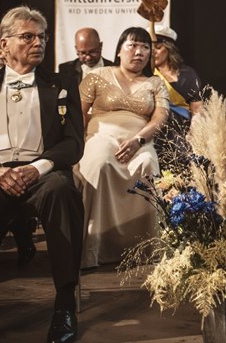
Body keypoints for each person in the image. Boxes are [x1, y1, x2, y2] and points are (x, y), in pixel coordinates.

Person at [0, 6, 85, 343]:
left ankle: (64, 306)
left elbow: (73, 144)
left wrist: (36, 168)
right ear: (4, 44)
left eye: (42, 37)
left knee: (62, 191)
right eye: (28, 36)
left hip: (43, 173)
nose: (38, 43)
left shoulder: (62, 84)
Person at [77, 26, 169, 269]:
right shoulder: (97, 76)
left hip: (140, 139)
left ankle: (144, 248)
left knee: (147, 164)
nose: (139, 52)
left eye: (145, 47)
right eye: (133, 45)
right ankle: (94, 248)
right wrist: (74, 146)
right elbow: (79, 114)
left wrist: (139, 140)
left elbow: (160, 117)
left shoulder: (155, 83)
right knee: (100, 164)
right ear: (119, 50)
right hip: (101, 135)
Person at [151, 26, 202, 166]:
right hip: (156, 129)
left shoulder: (187, 74)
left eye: (158, 47)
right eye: (150, 47)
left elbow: (197, 108)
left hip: (182, 129)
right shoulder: (146, 74)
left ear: (169, 48)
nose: (153, 51)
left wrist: (194, 131)